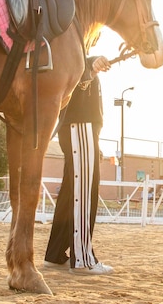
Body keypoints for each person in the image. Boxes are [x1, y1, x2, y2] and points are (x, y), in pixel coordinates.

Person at [44, 55, 113, 275]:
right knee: (85, 192)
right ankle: (83, 260)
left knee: (70, 193)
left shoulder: (76, 52)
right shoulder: (76, 56)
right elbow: (80, 72)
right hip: (80, 127)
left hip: (81, 130)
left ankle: (55, 255)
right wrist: (91, 69)